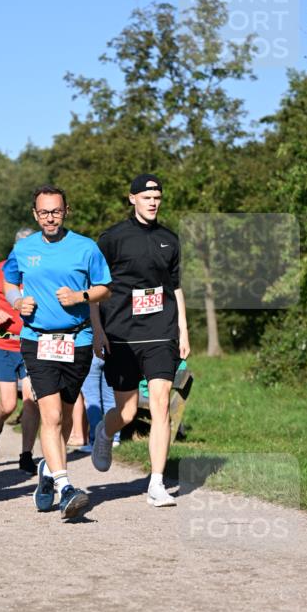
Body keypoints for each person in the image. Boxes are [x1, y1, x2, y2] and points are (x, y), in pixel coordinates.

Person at [4, 185, 112, 520]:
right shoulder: (24, 249)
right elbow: (9, 282)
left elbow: (105, 289)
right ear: (34, 214)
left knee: (63, 417)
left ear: (66, 211)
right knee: (50, 416)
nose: (50, 218)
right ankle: (66, 487)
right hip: (37, 340)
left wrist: (80, 298)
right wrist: (17, 302)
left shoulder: (86, 247)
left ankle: (48, 472)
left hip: (77, 342)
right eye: (44, 212)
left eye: (56, 211)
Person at [90, 174, 190, 506]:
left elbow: (175, 288)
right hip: (121, 332)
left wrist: (183, 332)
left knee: (161, 403)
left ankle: (156, 483)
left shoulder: (170, 240)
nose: (152, 202)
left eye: (157, 198)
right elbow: (95, 289)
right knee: (128, 411)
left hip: (161, 331)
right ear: (132, 198)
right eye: (146, 197)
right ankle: (105, 433)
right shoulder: (112, 239)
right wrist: (98, 330)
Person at [0, 228, 40, 474]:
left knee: (31, 398)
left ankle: (26, 455)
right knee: (8, 404)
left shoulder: (40, 272)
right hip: (4, 343)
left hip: (31, 343)